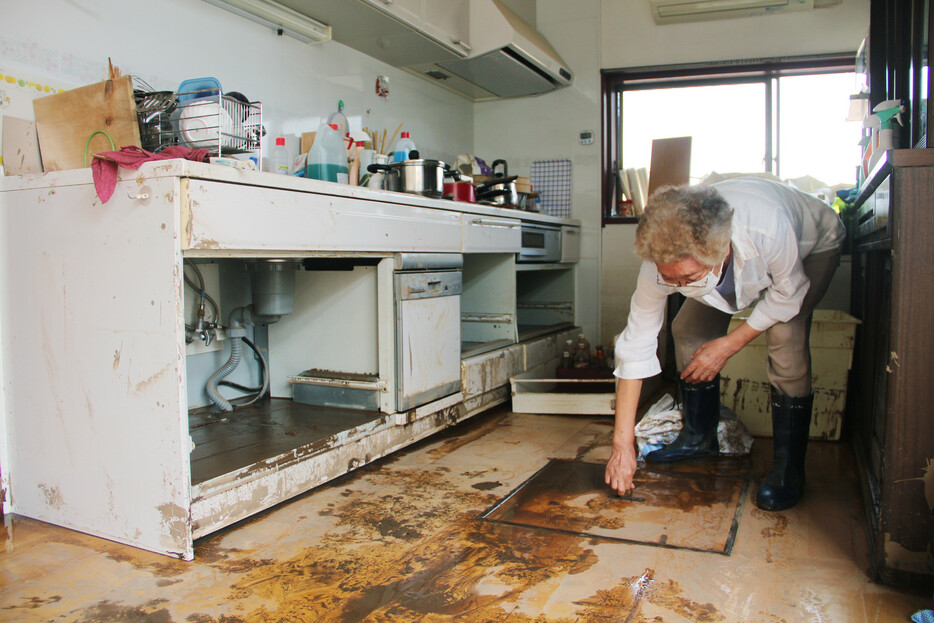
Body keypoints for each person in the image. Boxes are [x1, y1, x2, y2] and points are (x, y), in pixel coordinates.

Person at [605, 177, 845, 511]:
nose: (676, 285)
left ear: (720, 251)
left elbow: (787, 295)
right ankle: (699, 438)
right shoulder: (661, 260)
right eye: (669, 278)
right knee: (687, 329)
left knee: (785, 338)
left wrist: (729, 343)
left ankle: (789, 467)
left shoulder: (765, 227)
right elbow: (637, 341)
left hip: (812, 244)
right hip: (731, 259)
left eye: (686, 279)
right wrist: (622, 445)